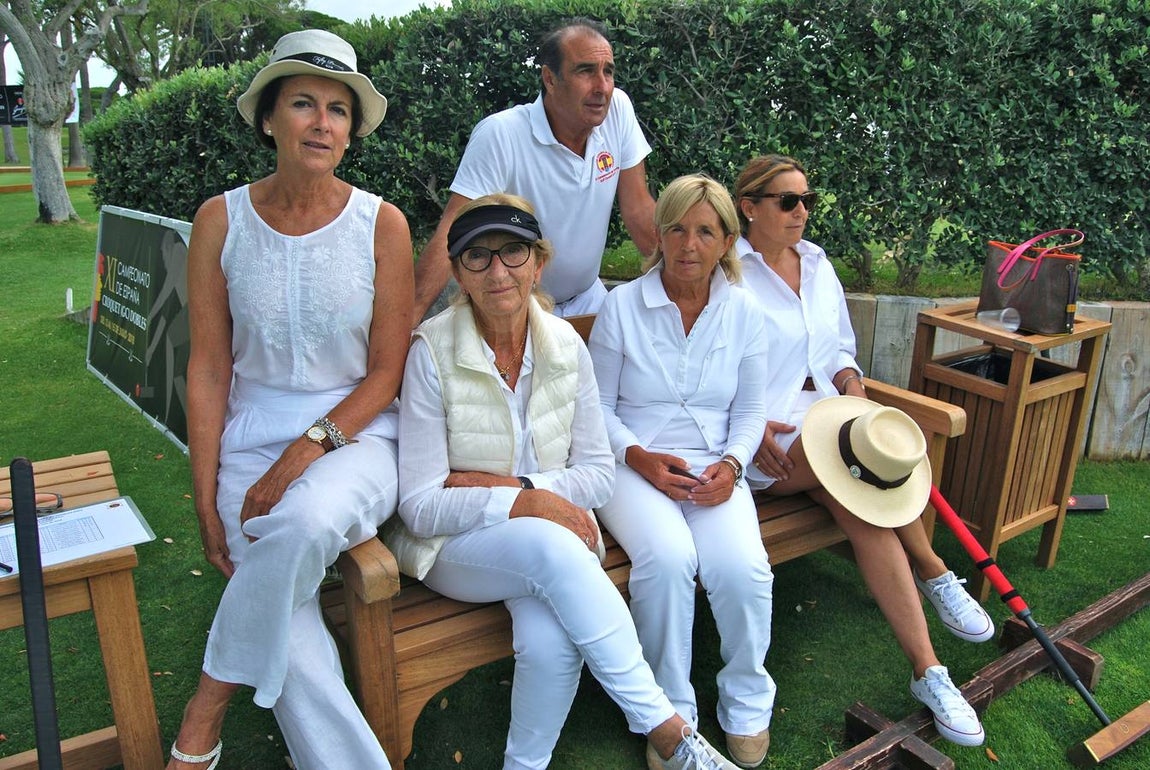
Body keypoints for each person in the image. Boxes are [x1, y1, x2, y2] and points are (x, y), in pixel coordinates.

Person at [390, 194, 738, 770]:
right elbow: (422, 507)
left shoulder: (565, 344)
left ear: (538, 264)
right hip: (451, 549)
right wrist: (526, 503)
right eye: (477, 256)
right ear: (457, 272)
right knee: (550, 545)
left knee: (551, 643)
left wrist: (526, 491)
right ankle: (669, 729)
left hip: (546, 540)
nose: (497, 271)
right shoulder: (431, 352)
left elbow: (599, 474)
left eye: (512, 253)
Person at [167, 30, 411, 770]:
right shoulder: (221, 220)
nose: (322, 123)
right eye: (303, 103)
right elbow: (208, 369)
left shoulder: (383, 223)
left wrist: (308, 447)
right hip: (249, 435)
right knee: (299, 651)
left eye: (339, 110)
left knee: (302, 518)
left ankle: (205, 705)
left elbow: (386, 372)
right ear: (268, 119)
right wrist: (206, 495)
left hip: (360, 434)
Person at [733, 154, 992, 747]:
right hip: (759, 437)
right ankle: (934, 575)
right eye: (787, 201)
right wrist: (752, 426)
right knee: (852, 478)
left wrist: (854, 387)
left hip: (826, 415)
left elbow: (839, 352)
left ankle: (930, 670)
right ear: (749, 207)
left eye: (807, 201)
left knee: (854, 489)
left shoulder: (818, 265)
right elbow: (704, 369)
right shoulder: (729, 274)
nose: (801, 212)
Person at [588, 175, 775, 769]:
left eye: (705, 231)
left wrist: (733, 464)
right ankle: (670, 714)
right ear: (659, 235)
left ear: (726, 241)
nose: (688, 244)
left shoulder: (745, 311)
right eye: (677, 229)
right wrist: (639, 457)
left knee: (743, 569)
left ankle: (746, 701)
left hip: (715, 470)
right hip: (633, 466)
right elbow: (596, 409)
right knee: (667, 560)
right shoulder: (622, 306)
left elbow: (749, 410)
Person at [411, 17, 656, 323]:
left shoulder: (617, 109)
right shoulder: (501, 134)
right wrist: (409, 322)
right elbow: (453, 229)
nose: (602, 87)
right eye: (586, 71)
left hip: (590, 300)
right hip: (516, 310)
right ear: (549, 79)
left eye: (608, 71)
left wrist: (687, 282)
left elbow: (638, 208)